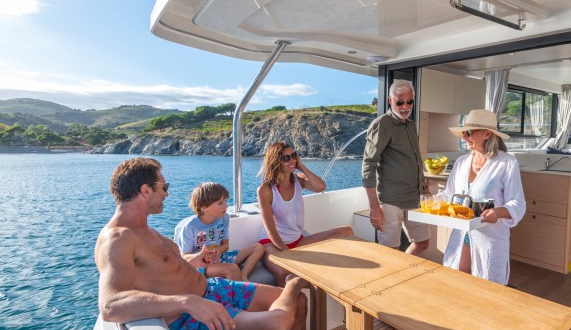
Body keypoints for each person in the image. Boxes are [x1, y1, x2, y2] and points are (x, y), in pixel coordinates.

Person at [95, 157, 308, 330]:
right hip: (189, 318)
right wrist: (188, 303)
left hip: (212, 289)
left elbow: (159, 271)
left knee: (298, 302)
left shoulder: (145, 230)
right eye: (164, 187)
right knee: (277, 324)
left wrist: (195, 260)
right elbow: (110, 305)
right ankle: (293, 281)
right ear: (145, 190)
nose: (166, 194)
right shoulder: (118, 238)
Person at [441, 109, 526, 285]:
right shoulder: (461, 162)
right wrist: (428, 202)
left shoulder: (507, 163)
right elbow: (448, 195)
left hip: (490, 238)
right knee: (456, 284)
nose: (464, 137)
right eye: (463, 133)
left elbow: (518, 203)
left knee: (487, 290)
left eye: (469, 132)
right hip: (461, 235)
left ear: (487, 133)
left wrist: (498, 212)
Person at [257, 142, 353, 286]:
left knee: (346, 231)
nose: (292, 160)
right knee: (284, 273)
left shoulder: (298, 180)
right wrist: (286, 251)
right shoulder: (266, 190)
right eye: (286, 158)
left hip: (297, 240)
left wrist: (300, 165)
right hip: (272, 243)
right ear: (276, 161)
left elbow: (321, 186)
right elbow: (271, 230)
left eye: (293, 156)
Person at [362, 79, 429, 255]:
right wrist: (374, 208)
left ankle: (403, 273)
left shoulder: (411, 125)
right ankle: (394, 280)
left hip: (414, 198)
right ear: (390, 101)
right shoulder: (381, 125)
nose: (405, 106)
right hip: (391, 201)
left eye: (409, 101)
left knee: (423, 243)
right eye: (400, 102)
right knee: (391, 252)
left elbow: (412, 159)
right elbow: (368, 166)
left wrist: (422, 184)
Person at [174, 182, 264, 282]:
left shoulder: (224, 218)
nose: (226, 206)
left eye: (225, 201)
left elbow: (225, 245)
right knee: (232, 268)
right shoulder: (190, 227)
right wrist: (201, 255)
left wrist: (218, 251)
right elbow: (185, 257)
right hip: (201, 265)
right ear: (204, 207)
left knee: (259, 247)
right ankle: (239, 291)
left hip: (219, 257)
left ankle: (243, 276)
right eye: (220, 203)